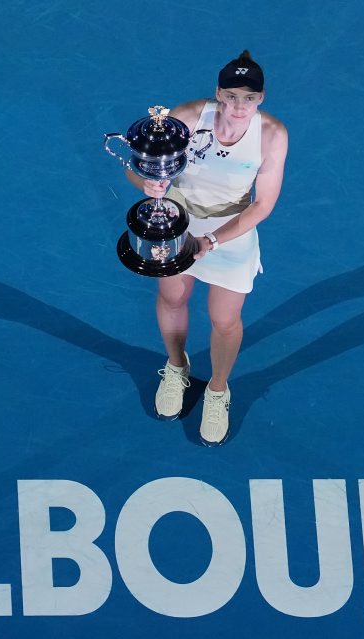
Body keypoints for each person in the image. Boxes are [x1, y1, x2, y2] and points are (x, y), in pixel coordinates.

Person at [124, 50, 289, 445]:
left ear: (261, 98)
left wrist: (212, 240)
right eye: (231, 96)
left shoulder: (272, 134)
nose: (239, 106)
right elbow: (137, 165)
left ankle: (217, 390)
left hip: (231, 230)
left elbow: (263, 205)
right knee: (173, 297)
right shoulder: (187, 116)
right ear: (218, 93)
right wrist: (147, 185)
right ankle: (177, 367)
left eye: (249, 98)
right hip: (177, 221)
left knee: (224, 319)